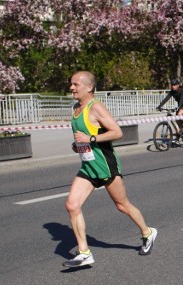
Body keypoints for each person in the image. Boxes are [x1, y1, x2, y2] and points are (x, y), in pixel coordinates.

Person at [63, 71, 157, 267]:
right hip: (88, 167)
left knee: (122, 205)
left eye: (75, 84)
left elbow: (117, 132)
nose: (71, 88)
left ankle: (148, 232)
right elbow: (85, 136)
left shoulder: (95, 107)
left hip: (106, 166)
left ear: (89, 87)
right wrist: (78, 145)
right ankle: (84, 253)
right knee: (72, 205)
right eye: (70, 84)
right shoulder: (76, 108)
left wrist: (91, 139)